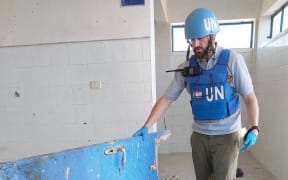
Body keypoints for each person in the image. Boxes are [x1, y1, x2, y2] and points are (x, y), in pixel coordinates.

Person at [133, 7, 259, 180]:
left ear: (212, 36)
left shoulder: (232, 61)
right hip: (199, 137)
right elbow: (166, 99)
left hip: (227, 136)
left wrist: (254, 127)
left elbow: (249, 97)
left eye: (199, 38)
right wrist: (146, 126)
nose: (195, 44)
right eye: (191, 39)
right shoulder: (186, 69)